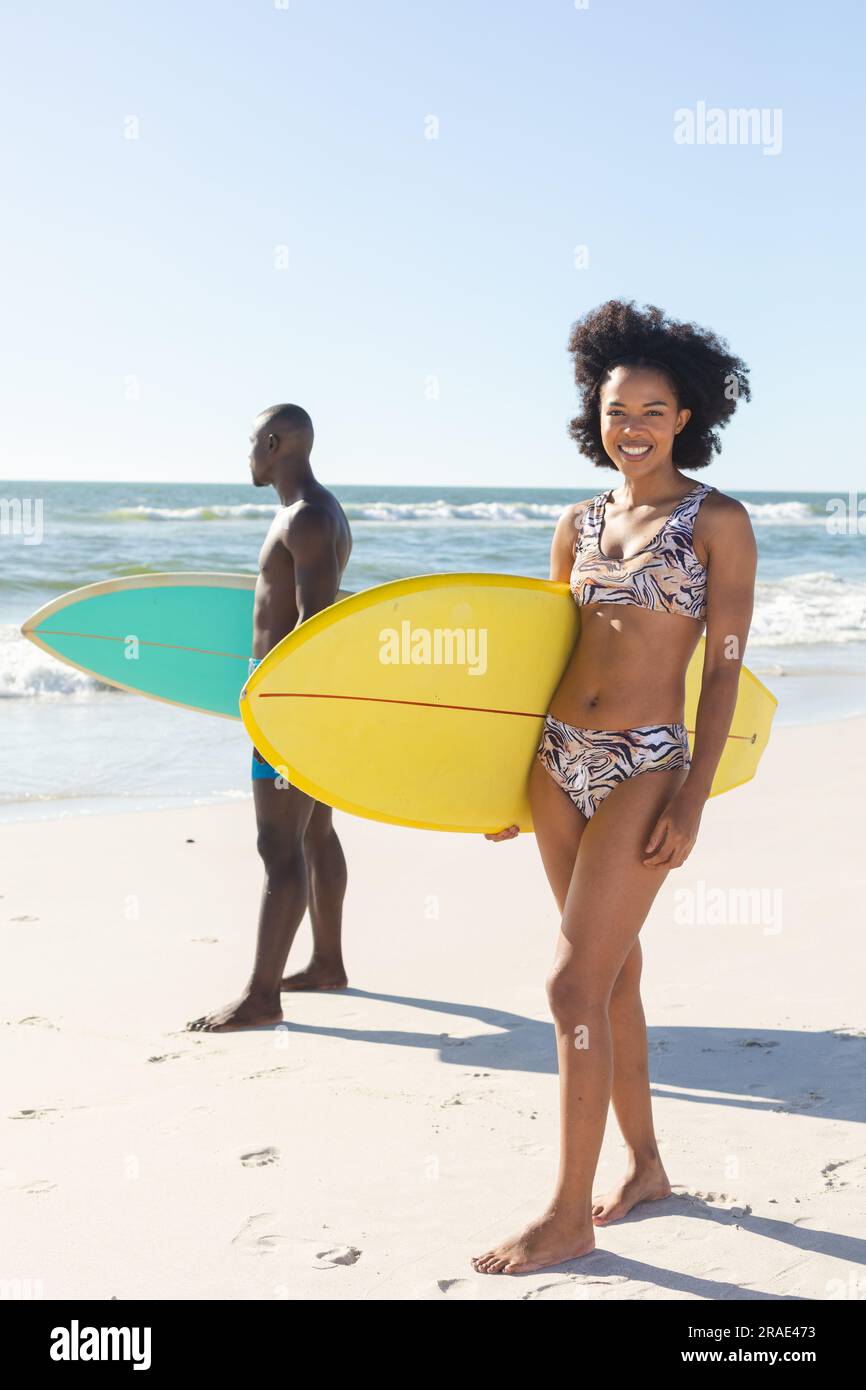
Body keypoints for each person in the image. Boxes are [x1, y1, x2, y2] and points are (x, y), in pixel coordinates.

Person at [473, 300, 756, 1274]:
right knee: (613, 975)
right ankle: (642, 1168)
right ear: (591, 415)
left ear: (684, 417)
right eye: (612, 409)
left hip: (644, 762)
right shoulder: (577, 523)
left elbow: (719, 668)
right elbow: (541, 653)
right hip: (554, 761)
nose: (628, 427)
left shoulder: (717, 522)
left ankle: (565, 1213)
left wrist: (691, 797)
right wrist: (501, 784)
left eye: (650, 409)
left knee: (567, 983)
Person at [188, 404, 352, 1032]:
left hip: (293, 701)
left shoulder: (306, 516)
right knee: (314, 834)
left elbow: (315, 624)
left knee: (277, 845)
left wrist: (279, 706)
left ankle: (261, 997)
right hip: (306, 698)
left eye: (252, 441)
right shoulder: (315, 509)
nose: (248, 453)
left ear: (276, 443)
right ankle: (327, 964)